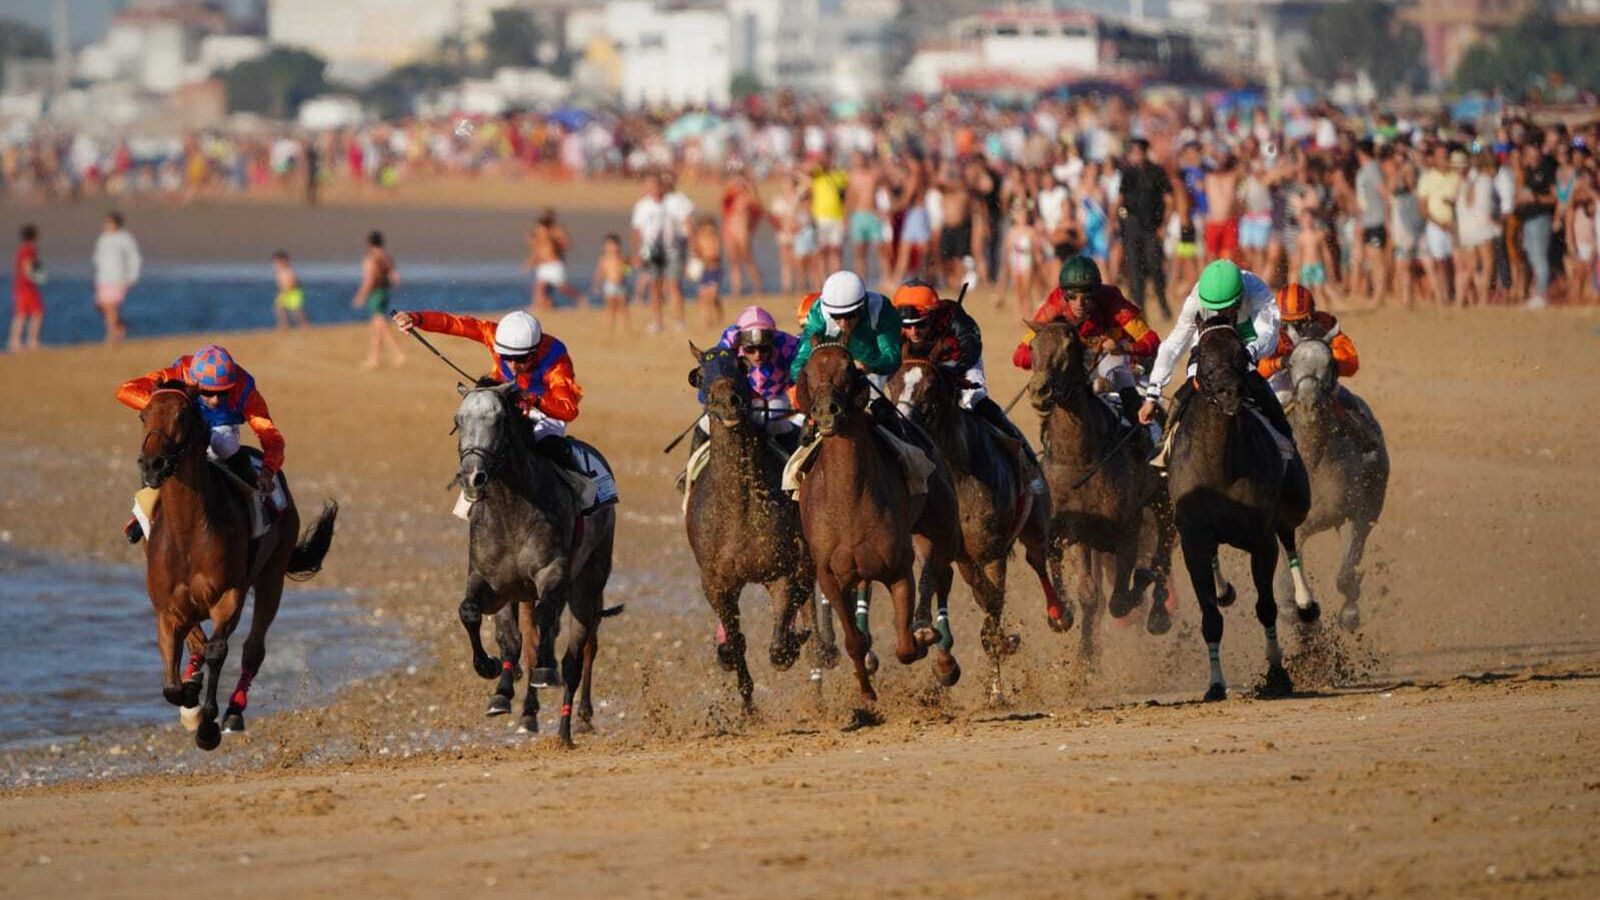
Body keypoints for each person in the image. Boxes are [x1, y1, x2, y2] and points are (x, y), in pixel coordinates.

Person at [116, 345, 285, 543]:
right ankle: (142, 512)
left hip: (221, 427)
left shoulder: (245, 389)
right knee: (158, 450)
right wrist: (169, 407)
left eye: (223, 394)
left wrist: (267, 470)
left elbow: (271, 436)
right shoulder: (178, 373)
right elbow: (125, 391)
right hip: (184, 421)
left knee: (225, 445)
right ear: (193, 381)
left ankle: (258, 504)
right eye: (207, 392)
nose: (214, 400)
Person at [1139, 259, 1290, 461]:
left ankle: (1288, 443)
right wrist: (1152, 394)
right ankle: (1165, 445)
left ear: (1239, 299)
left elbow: (1269, 333)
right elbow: (1173, 345)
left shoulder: (1257, 291)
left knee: (1260, 388)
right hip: (1207, 349)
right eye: (1213, 309)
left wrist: (1250, 352)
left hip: (1244, 345)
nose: (1219, 314)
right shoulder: (1196, 299)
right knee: (1189, 387)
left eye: (1226, 309)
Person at [391, 309, 582, 469]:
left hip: (546, 413)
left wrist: (534, 400)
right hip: (508, 399)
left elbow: (569, 410)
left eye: (521, 359)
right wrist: (416, 318)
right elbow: (452, 324)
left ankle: (581, 496)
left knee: (541, 443)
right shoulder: (492, 333)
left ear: (535, 351)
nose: (513, 365)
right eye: (506, 356)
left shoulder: (555, 357)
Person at [1013, 256, 1161, 442]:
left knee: (1117, 371)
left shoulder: (1113, 301)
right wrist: (1049, 356)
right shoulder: (1054, 305)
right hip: (1077, 364)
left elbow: (1152, 342)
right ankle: (1050, 444)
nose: (1079, 304)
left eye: (1086, 298)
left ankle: (1144, 437)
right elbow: (1019, 355)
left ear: (1097, 293)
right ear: (1063, 294)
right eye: (1072, 297)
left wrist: (1124, 347)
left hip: (1115, 359)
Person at [1257, 283, 1381, 455]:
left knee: (1347, 400)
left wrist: (1332, 364)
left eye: (1299, 322)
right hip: (1281, 378)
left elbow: (1351, 362)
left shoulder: (1325, 324)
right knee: (1264, 409)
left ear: (1311, 317)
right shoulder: (1270, 329)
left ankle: (1366, 444)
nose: (1293, 328)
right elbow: (1258, 369)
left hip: (1317, 375)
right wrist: (1279, 362)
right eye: (1288, 323)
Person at [692, 305, 803, 455]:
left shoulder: (789, 345)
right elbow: (710, 382)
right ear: (741, 345)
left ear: (772, 342)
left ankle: (797, 472)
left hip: (773, 398)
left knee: (776, 423)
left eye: (764, 349)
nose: (757, 355)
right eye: (750, 350)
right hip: (739, 398)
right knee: (704, 423)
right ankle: (688, 474)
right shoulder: (727, 348)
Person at [1118, 139, 1174, 317]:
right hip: (1133, 226)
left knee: (1155, 266)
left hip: (1152, 226)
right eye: (1133, 152)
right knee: (1135, 269)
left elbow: (1169, 201)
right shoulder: (1128, 173)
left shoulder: (1157, 172)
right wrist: (1116, 221)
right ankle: (1140, 311)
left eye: (1138, 151)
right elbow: (1120, 200)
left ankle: (1163, 305)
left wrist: (1164, 225)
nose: (1136, 155)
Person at [351, 230, 406, 369]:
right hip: (384, 292)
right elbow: (395, 278)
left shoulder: (371, 258)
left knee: (380, 324)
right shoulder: (386, 257)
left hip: (376, 292)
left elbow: (369, 279)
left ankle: (397, 353)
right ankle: (374, 357)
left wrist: (361, 295)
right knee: (377, 327)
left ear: (369, 243)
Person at [92, 211, 140, 345]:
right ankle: (120, 327)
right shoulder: (103, 238)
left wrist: (132, 276)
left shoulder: (125, 238)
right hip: (102, 278)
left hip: (119, 278)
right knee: (101, 305)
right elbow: (98, 257)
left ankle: (111, 335)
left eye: (109, 222)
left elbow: (134, 257)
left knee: (110, 307)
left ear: (116, 224)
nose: (106, 224)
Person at [526, 208, 579, 313]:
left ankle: (580, 298)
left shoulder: (555, 232)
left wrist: (556, 243)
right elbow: (537, 251)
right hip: (544, 265)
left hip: (554, 264)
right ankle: (539, 305)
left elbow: (565, 243)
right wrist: (530, 261)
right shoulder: (539, 235)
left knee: (561, 287)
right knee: (539, 287)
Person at [9, 223, 44, 352]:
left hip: (21, 286)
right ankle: (30, 341)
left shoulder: (22, 249)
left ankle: (15, 341)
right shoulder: (29, 250)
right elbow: (27, 266)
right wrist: (37, 278)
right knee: (36, 313)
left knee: (21, 315)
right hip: (27, 287)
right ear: (35, 237)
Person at [690, 215, 724, 327]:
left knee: (712, 296)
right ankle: (706, 320)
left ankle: (718, 315)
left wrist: (706, 259)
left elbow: (716, 255)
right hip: (704, 270)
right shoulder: (699, 238)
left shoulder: (715, 238)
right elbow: (696, 253)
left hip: (714, 269)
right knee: (703, 297)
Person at [593, 233, 629, 334]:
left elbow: (627, 270)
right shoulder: (604, 259)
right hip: (610, 285)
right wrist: (597, 285)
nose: (611, 248)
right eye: (608, 245)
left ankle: (625, 328)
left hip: (621, 285)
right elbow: (599, 273)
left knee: (623, 307)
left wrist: (625, 272)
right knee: (610, 307)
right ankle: (608, 329)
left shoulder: (622, 258)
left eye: (613, 245)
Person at [271, 250, 308, 329]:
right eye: (275, 263)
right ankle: (284, 325)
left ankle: (304, 325)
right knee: (279, 308)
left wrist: (287, 290)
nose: (276, 265)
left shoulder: (288, 270)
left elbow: (293, 282)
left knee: (297, 311)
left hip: (293, 292)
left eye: (277, 262)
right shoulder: (280, 272)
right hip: (285, 292)